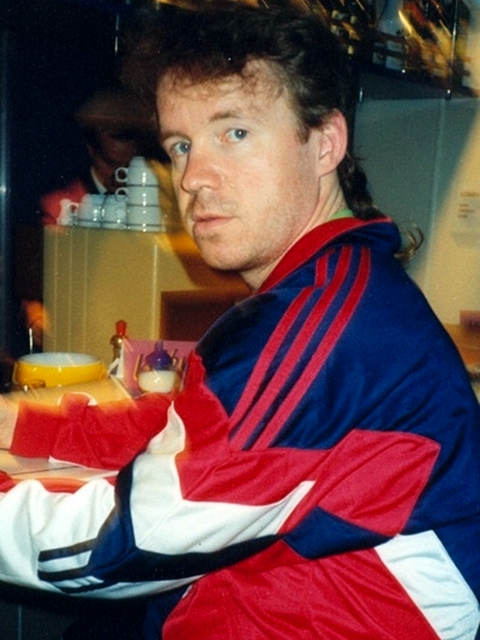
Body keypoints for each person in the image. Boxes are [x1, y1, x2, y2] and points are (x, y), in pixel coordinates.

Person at [1, 3, 480, 639]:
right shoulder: (322, 287)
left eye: (234, 133)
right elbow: (197, 426)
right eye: (180, 145)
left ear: (325, 143)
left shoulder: (326, 321)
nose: (193, 177)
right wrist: (24, 424)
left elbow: (121, 545)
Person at [39, 88, 155, 225]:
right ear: (90, 147)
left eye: (129, 130)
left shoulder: (153, 200)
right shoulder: (59, 207)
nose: (123, 133)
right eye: (112, 129)